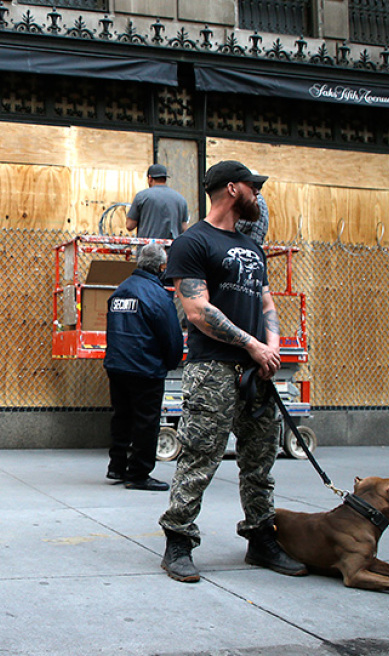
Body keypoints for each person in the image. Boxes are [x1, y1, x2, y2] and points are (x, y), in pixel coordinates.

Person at [158, 160, 306, 583]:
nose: (257, 194)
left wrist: (272, 346)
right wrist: (252, 344)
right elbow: (197, 310)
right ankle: (178, 542)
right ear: (231, 188)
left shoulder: (252, 246)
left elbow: (266, 304)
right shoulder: (193, 241)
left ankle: (261, 540)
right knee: (201, 455)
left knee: (260, 460)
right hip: (213, 369)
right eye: (252, 186)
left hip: (258, 368)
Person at [104, 242, 184, 491]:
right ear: (162, 267)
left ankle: (117, 465)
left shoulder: (120, 291)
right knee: (145, 421)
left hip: (117, 365)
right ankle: (138, 473)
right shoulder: (158, 295)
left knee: (122, 416)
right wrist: (172, 362)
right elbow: (171, 335)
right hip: (144, 368)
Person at [126, 163, 190, 240]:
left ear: (150, 178)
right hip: (172, 249)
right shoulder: (180, 199)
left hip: (148, 249)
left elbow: (130, 225)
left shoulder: (141, 196)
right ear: (165, 179)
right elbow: (184, 228)